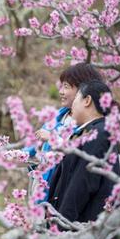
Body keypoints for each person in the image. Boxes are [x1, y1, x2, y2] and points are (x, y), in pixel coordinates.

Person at [47, 80, 120, 239]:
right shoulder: (97, 131)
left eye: (76, 101)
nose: (71, 107)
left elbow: (83, 183)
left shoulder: (99, 134)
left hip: (86, 226)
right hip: (88, 226)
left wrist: (61, 223)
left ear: (88, 101)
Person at [26, 63, 104, 202]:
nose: (61, 91)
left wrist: (52, 138)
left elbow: (77, 152)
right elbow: (34, 144)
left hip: (59, 193)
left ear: (84, 91)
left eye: (66, 87)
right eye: (61, 86)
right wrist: (14, 154)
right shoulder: (57, 116)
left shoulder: (88, 128)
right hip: (39, 186)